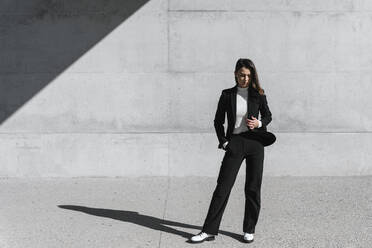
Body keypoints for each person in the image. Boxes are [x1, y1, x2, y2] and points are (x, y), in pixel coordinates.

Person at [190, 58, 276, 244]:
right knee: (223, 187)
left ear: (252, 76)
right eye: (242, 75)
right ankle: (208, 230)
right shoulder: (227, 94)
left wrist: (259, 123)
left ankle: (249, 229)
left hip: (255, 144)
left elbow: (268, 115)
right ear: (235, 74)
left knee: (253, 188)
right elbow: (218, 121)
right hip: (235, 143)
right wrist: (224, 142)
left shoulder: (258, 94)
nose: (245, 79)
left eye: (248, 75)